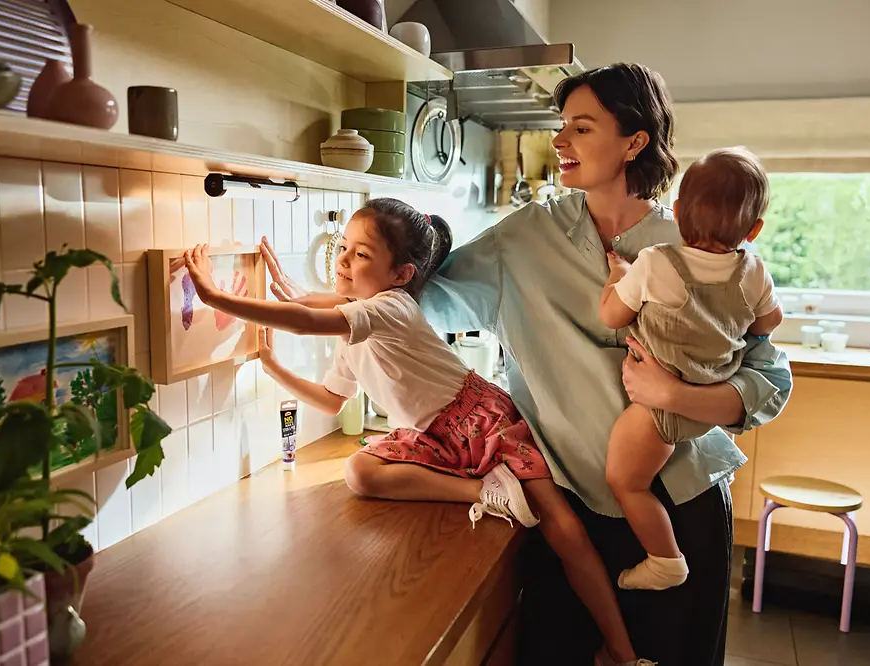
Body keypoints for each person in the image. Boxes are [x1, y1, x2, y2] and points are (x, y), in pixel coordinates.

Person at [261, 64, 792, 665]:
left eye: (582, 128)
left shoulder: (694, 246)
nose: (561, 141)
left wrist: (677, 397)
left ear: (634, 142)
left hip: (678, 508)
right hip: (563, 499)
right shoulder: (523, 237)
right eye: (562, 126)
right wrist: (299, 293)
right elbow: (403, 296)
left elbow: (770, 379)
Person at [182, 199, 655, 666]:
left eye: (360, 254)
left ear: (401, 275)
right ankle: (485, 491)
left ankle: (623, 652)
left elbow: (312, 318)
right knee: (359, 473)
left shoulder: (390, 307)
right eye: (343, 247)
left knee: (564, 529)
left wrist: (218, 297)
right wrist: (272, 365)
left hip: (480, 421)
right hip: (436, 437)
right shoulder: (356, 329)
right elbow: (329, 398)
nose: (343, 260)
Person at [598, 147, 784, 592]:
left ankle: (665, 559)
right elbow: (768, 323)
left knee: (625, 483)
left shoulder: (656, 262)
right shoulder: (753, 270)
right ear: (754, 229)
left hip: (656, 415)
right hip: (710, 405)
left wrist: (617, 275)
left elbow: (611, 316)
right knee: (632, 481)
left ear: (677, 213)